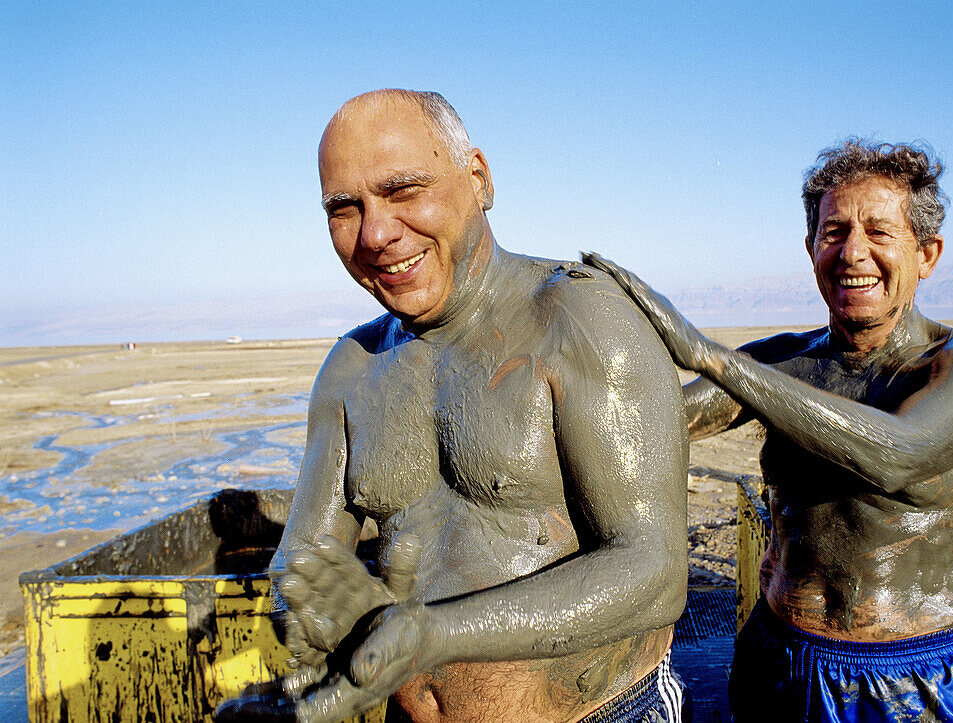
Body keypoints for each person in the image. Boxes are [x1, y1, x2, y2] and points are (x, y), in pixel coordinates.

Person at [216, 89, 689, 723]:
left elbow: (654, 571)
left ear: (478, 179)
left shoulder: (582, 318)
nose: (377, 233)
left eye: (403, 191)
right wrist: (307, 610)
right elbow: (307, 557)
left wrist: (431, 635)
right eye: (344, 208)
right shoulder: (352, 369)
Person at [585, 140, 953, 722]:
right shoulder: (784, 362)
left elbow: (900, 452)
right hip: (778, 655)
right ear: (811, 247)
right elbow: (653, 427)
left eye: (880, 233)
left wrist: (711, 357)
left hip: (913, 678)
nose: (852, 253)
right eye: (833, 232)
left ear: (928, 254)